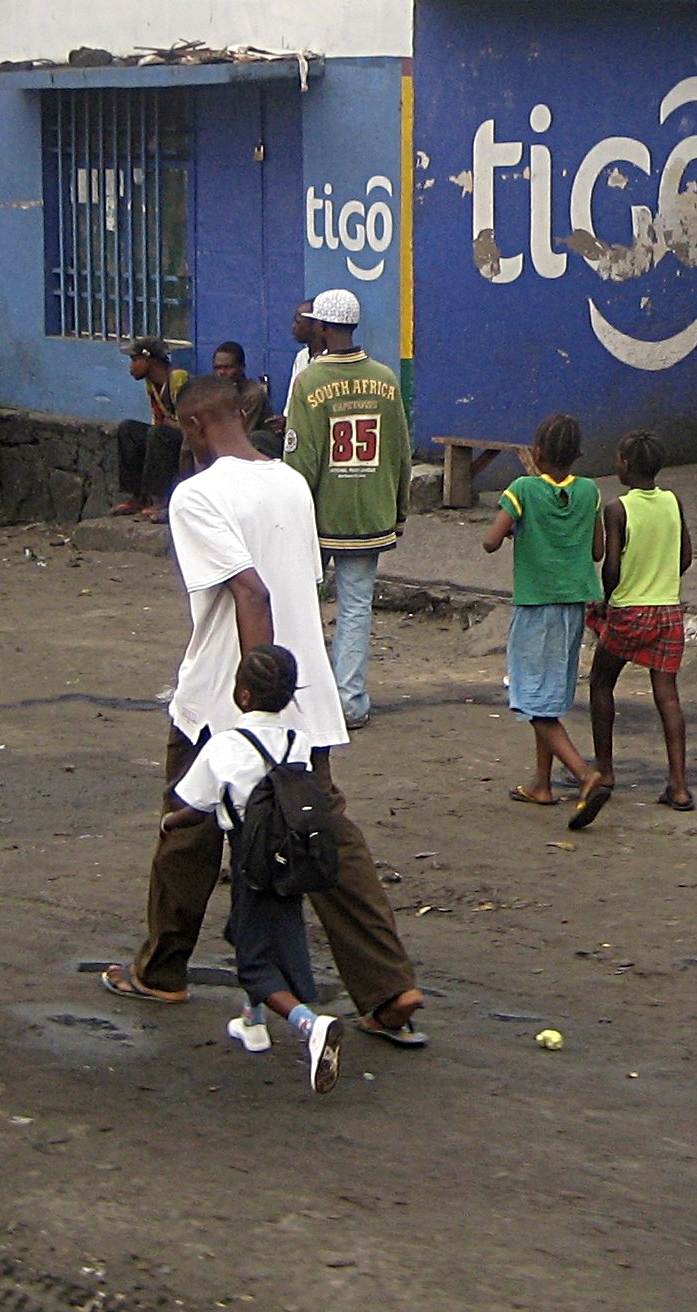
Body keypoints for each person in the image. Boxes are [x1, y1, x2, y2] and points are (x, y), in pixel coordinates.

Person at [101, 375, 427, 1049]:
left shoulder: (196, 495)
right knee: (323, 831)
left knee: (188, 828)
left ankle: (162, 969)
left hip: (230, 694)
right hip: (302, 694)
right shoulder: (290, 483)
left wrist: (257, 704)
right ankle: (388, 986)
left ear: (192, 426)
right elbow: (298, 581)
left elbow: (250, 593)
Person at [162, 643, 346, 1095]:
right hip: (293, 858)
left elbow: (196, 804)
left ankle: (309, 1024)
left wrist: (171, 821)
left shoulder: (226, 745)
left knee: (253, 960)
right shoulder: (298, 741)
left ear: (241, 694)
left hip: (252, 858)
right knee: (262, 930)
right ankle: (253, 1021)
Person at [282, 288, 411, 732]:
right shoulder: (385, 380)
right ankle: (350, 702)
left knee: (302, 606)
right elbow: (400, 452)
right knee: (356, 609)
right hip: (369, 516)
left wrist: (289, 518)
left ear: (321, 327)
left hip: (318, 517)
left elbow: (301, 461)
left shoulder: (309, 382)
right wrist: (399, 511)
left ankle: (302, 698)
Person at [481, 414, 609, 826]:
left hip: (535, 605)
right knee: (549, 696)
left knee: (532, 700)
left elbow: (489, 541)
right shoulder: (589, 491)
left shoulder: (522, 489)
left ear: (537, 453)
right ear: (577, 454)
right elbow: (597, 550)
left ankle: (585, 775)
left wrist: (515, 530)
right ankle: (541, 784)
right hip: (573, 607)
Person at [584, 430, 694, 820]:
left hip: (630, 611)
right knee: (668, 696)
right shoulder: (673, 501)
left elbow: (611, 567)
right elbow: (685, 558)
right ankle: (679, 786)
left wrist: (607, 600)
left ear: (626, 465)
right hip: (668, 611)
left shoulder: (617, 509)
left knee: (601, 682)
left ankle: (605, 771)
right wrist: (663, 581)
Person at [111, 337, 189, 521]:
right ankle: (138, 496)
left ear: (148, 359)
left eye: (134, 360)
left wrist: (169, 424)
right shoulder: (151, 383)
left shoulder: (178, 378)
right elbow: (158, 417)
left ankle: (161, 499)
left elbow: (187, 421)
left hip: (187, 438)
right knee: (128, 430)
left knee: (158, 433)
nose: (131, 367)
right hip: (166, 433)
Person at [211, 341, 280, 457]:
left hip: (258, 450)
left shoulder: (253, 395)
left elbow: (240, 436)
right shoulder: (218, 391)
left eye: (228, 367)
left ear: (242, 368)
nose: (221, 372)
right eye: (217, 368)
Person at [265, 297, 318, 437]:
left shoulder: (329, 362)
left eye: (298, 322)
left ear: (315, 326)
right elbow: (291, 406)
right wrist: (285, 421)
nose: (293, 326)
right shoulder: (302, 357)